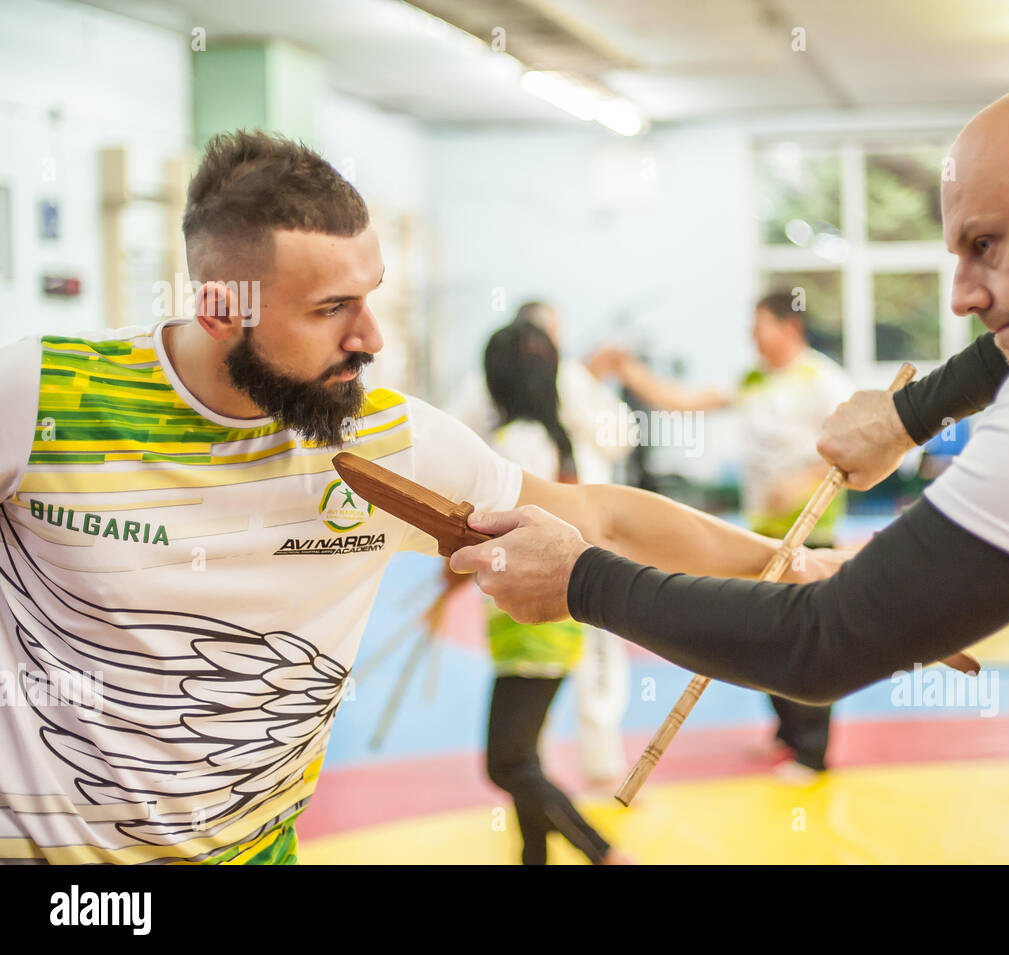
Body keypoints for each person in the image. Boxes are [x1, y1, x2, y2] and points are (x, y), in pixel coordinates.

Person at [451, 85, 1009, 865]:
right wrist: (913, 416)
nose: (965, 292)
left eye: (985, 245)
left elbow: (818, 641)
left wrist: (583, 582)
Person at [0, 130, 847, 865]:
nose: (370, 337)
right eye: (332, 308)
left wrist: (795, 566)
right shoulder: (41, 394)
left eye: (369, 296)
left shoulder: (387, 439)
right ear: (220, 309)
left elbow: (604, 515)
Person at [590, 292, 855, 778]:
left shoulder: (823, 381)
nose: (751, 334)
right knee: (769, 636)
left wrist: (800, 484)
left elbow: (855, 449)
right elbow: (682, 401)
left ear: (789, 327)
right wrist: (627, 370)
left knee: (807, 639)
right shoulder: (752, 379)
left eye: (759, 324)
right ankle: (787, 732)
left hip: (811, 534)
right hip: (760, 535)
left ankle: (813, 752)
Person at [444, 301, 633, 787]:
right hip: (567, 558)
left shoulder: (557, 396)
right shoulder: (523, 416)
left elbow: (619, 437)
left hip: (566, 558)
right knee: (529, 726)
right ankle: (543, 776)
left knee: (522, 739)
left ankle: (583, 778)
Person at [476, 321, 626, 864]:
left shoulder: (514, 443)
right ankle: (533, 856)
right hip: (547, 619)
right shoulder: (559, 442)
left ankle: (602, 852)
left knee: (507, 762)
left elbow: (499, 531)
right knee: (524, 754)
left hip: (529, 624)